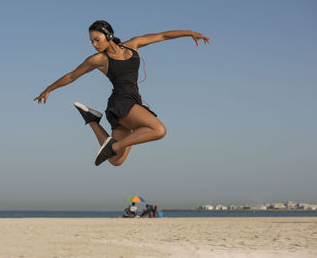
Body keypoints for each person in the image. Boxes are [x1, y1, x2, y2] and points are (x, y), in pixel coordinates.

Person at [34, 20, 210, 166]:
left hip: (133, 101)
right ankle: (116, 146)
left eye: (97, 39)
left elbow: (162, 36)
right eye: (91, 42)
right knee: (158, 130)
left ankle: (92, 120)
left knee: (115, 161)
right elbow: (72, 75)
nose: (94, 45)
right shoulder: (99, 59)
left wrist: (190, 32)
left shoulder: (133, 45)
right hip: (121, 102)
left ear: (108, 35)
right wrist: (49, 89)